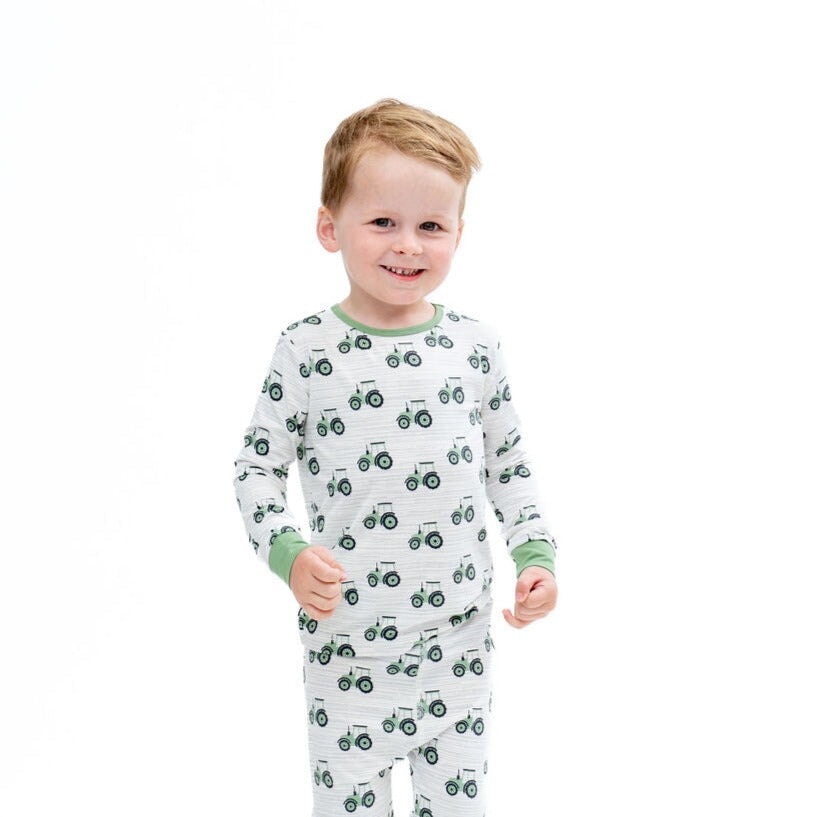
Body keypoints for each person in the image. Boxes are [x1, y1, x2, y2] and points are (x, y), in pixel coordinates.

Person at [233, 98, 558, 817]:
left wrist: (534, 553)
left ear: (458, 233)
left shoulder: (475, 346)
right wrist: (287, 552)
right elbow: (256, 468)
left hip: (459, 647)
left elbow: (508, 465)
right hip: (347, 650)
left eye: (430, 226)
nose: (407, 245)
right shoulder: (305, 349)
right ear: (330, 227)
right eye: (383, 221)